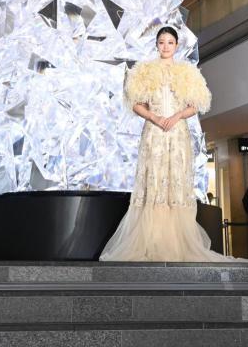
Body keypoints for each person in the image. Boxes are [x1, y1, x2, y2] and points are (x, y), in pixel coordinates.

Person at [100, 26, 234, 261]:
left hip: (177, 133)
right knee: (154, 181)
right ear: (156, 44)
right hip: (153, 132)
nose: (165, 46)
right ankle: (150, 241)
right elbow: (135, 103)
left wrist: (177, 116)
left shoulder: (186, 72)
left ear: (176, 45)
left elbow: (196, 104)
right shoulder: (145, 71)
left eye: (170, 42)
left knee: (175, 182)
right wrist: (154, 117)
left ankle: (176, 242)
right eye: (161, 42)